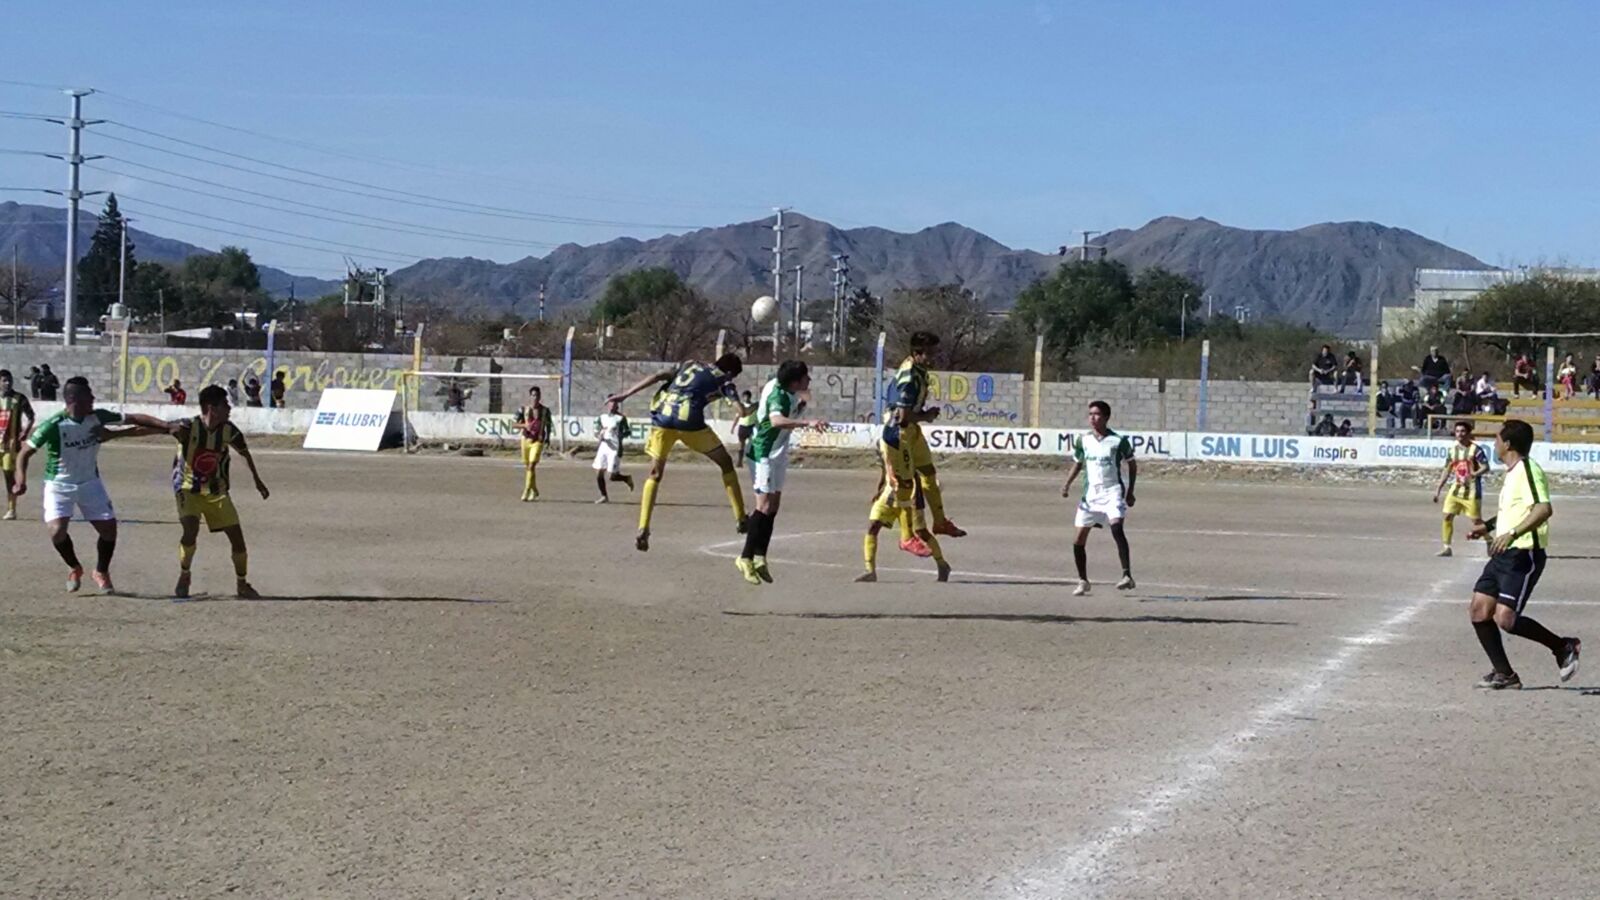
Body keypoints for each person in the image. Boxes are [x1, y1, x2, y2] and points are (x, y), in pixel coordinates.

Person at [10, 377, 168, 593]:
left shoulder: (96, 417)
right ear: (74, 399)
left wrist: (166, 426)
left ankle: (101, 571)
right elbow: (24, 452)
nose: (93, 398)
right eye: (89, 395)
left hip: (89, 483)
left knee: (109, 531)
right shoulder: (54, 425)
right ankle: (74, 567)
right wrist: (21, 479)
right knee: (57, 532)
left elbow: (134, 419)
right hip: (59, 485)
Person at [1464, 419, 1580, 690]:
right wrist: (1489, 527)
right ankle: (1505, 673)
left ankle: (1563, 646)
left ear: (1508, 444)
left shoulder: (1528, 469)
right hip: (1503, 553)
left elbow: (1543, 509)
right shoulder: (1512, 472)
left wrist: (1513, 533)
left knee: (1505, 618)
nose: (1494, 443)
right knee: (1479, 610)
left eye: (1496, 438)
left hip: (1523, 553)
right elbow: (1515, 510)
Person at [605, 353, 753, 552]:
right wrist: (753, 409)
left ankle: (643, 527)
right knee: (725, 463)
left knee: (655, 473)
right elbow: (740, 411)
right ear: (730, 372)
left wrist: (625, 395)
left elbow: (659, 375)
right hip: (689, 421)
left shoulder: (690, 364)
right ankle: (741, 518)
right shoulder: (724, 380)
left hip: (662, 418)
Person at [167, 385, 270, 599]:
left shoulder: (229, 431)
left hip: (217, 491)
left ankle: (242, 584)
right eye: (225, 404)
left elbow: (244, 452)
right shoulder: (189, 427)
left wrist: (257, 480)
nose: (229, 408)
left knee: (238, 540)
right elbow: (155, 429)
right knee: (190, 530)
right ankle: (184, 574)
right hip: (188, 489)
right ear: (211, 408)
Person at [734, 361, 826, 585]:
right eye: (806, 377)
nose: (809, 381)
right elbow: (776, 420)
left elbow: (790, 409)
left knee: (773, 506)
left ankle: (759, 557)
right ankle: (744, 557)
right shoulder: (779, 395)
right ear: (795, 381)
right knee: (763, 506)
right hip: (762, 453)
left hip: (777, 452)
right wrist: (808, 422)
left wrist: (802, 406)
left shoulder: (788, 390)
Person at [882, 331, 967, 553]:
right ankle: (906, 537)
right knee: (907, 485)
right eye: (930, 353)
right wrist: (926, 416)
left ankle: (939, 522)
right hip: (899, 431)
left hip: (911, 429)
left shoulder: (919, 369)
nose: (934, 357)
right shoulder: (910, 377)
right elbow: (901, 415)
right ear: (917, 353)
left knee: (928, 472)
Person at [1063, 401, 1137, 595]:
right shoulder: (1083, 440)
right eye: (1090, 414)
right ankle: (1083, 580)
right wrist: (1067, 484)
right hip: (1090, 496)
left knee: (1117, 528)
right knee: (1078, 540)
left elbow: (1132, 464)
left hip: (1112, 491)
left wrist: (1130, 491)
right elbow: (1078, 463)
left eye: (1096, 414)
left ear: (1106, 417)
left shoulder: (1118, 441)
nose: (1092, 418)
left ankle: (1127, 575)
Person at [856, 434, 951, 584]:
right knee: (872, 527)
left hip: (907, 497)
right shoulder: (882, 443)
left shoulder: (907, 446)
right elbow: (884, 469)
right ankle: (870, 571)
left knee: (921, 532)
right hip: (888, 494)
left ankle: (942, 564)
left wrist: (920, 498)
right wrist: (879, 489)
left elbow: (917, 474)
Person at [1432, 420, 1489, 558]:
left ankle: (1490, 541)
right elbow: (1447, 469)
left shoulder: (1476, 450)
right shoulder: (1452, 450)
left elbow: (1486, 467)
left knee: (1476, 521)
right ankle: (1447, 547)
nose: (1460, 434)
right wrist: (1438, 488)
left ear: (1468, 433)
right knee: (1447, 516)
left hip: (1472, 491)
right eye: (1457, 431)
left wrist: (1474, 474)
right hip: (1456, 489)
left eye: (1463, 431)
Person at [1, 369, 37, 521]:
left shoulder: (19, 398)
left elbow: (31, 416)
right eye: (4, 380)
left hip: (10, 444)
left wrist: (25, 431)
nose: (7, 383)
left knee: (9, 476)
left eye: (9, 380)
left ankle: (11, 509)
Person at [514, 386, 554, 502]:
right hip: (525, 440)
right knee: (528, 468)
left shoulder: (545, 411)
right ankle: (534, 490)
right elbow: (513, 424)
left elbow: (549, 425)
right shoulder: (523, 410)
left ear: (540, 396)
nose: (535, 398)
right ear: (530, 396)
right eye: (533, 395)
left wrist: (547, 439)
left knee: (531, 465)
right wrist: (524, 426)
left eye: (537, 395)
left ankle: (526, 490)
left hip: (538, 440)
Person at [592, 398, 635, 504]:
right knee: (599, 473)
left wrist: (621, 435)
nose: (612, 405)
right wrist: (599, 435)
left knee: (612, 476)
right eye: (611, 402)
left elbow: (628, 431)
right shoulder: (602, 417)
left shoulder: (620, 418)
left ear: (617, 405)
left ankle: (626, 478)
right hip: (603, 447)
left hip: (615, 449)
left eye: (615, 403)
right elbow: (596, 430)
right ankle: (604, 496)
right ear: (607, 404)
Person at [732, 390, 757, 461]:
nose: (746, 398)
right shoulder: (741, 407)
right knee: (741, 445)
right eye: (744, 397)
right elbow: (737, 417)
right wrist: (733, 427)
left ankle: (752, 460)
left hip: (751, 426)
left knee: (752, 444)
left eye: (747, 397)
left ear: (750, 397)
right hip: (742, 427)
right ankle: (740, 461)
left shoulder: (754, 407)